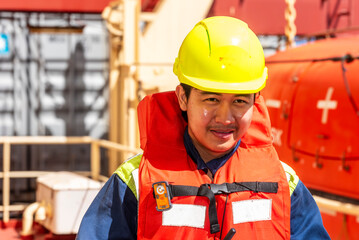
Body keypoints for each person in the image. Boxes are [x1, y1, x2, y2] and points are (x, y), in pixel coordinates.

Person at [77, 16, 330, 239]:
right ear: (183, 98)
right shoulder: (134, 182)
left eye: (240, 101)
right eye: (211, 99)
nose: (225, 117)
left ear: (256, 102)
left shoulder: (284, 183)